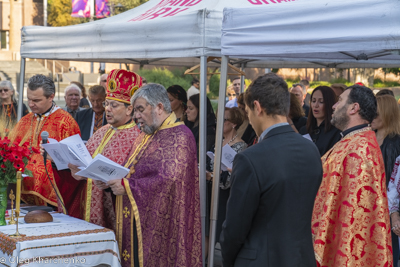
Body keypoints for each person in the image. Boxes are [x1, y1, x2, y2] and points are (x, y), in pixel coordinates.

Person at [220, 73, 323, 267]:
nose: (249, 119)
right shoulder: (311, 149)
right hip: (301, 258)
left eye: (248, 112)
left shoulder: (250, 158)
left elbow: (234, 229)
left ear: (257, 107)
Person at [99, 83, 202, 266]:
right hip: (137, 221)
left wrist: (127, 186)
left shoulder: (181, 136)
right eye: (135, 110)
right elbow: (130, 169)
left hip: (164, 226)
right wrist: (110, 182)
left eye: (140, 109)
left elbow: (169, 179)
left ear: (159, 107)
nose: (135, 115)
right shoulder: (146, 134)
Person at [312, 85, 393, 267]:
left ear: (353, 108)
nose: (333, 106)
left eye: (340, 101)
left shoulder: (360, 148)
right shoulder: (354, 141)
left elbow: (354, 215)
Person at [62, 69, 142, 226]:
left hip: (114, 212)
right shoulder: (102, 131)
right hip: (87, 206)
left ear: (129, 109)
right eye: (107, 104)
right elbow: (85, 162)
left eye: (114, 105)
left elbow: (136, 180)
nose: (107, 109)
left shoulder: (137, 138)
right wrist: (76, 170)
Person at [10, 74, 80, 206]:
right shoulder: (24, 121)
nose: (31, 104)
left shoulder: (65, 122)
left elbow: (74, 162)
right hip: (21, 194)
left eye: (36, 100)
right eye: (29, 99)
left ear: (51, 97)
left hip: (53, 197)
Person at [206, 107, 247, 249]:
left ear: (234, 123)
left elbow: (230, 179)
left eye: (223, 120)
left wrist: (210, 176)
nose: (218, 123)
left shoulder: (240, 147)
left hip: (225, 197)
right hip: (210, 193)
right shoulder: (218, 142)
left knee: (218, 233)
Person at [371, 95, 400, 267]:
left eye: (376, 113)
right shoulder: (368, 138)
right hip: (369, 207)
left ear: (387, 114)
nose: (372, 117)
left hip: (387, 211)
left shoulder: (396, 143)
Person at [299, 86, 341, 156]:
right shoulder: (304, 130)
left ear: (330, 104)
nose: (316, 105)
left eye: (321, 102)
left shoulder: (337, 132)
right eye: (313, 101)